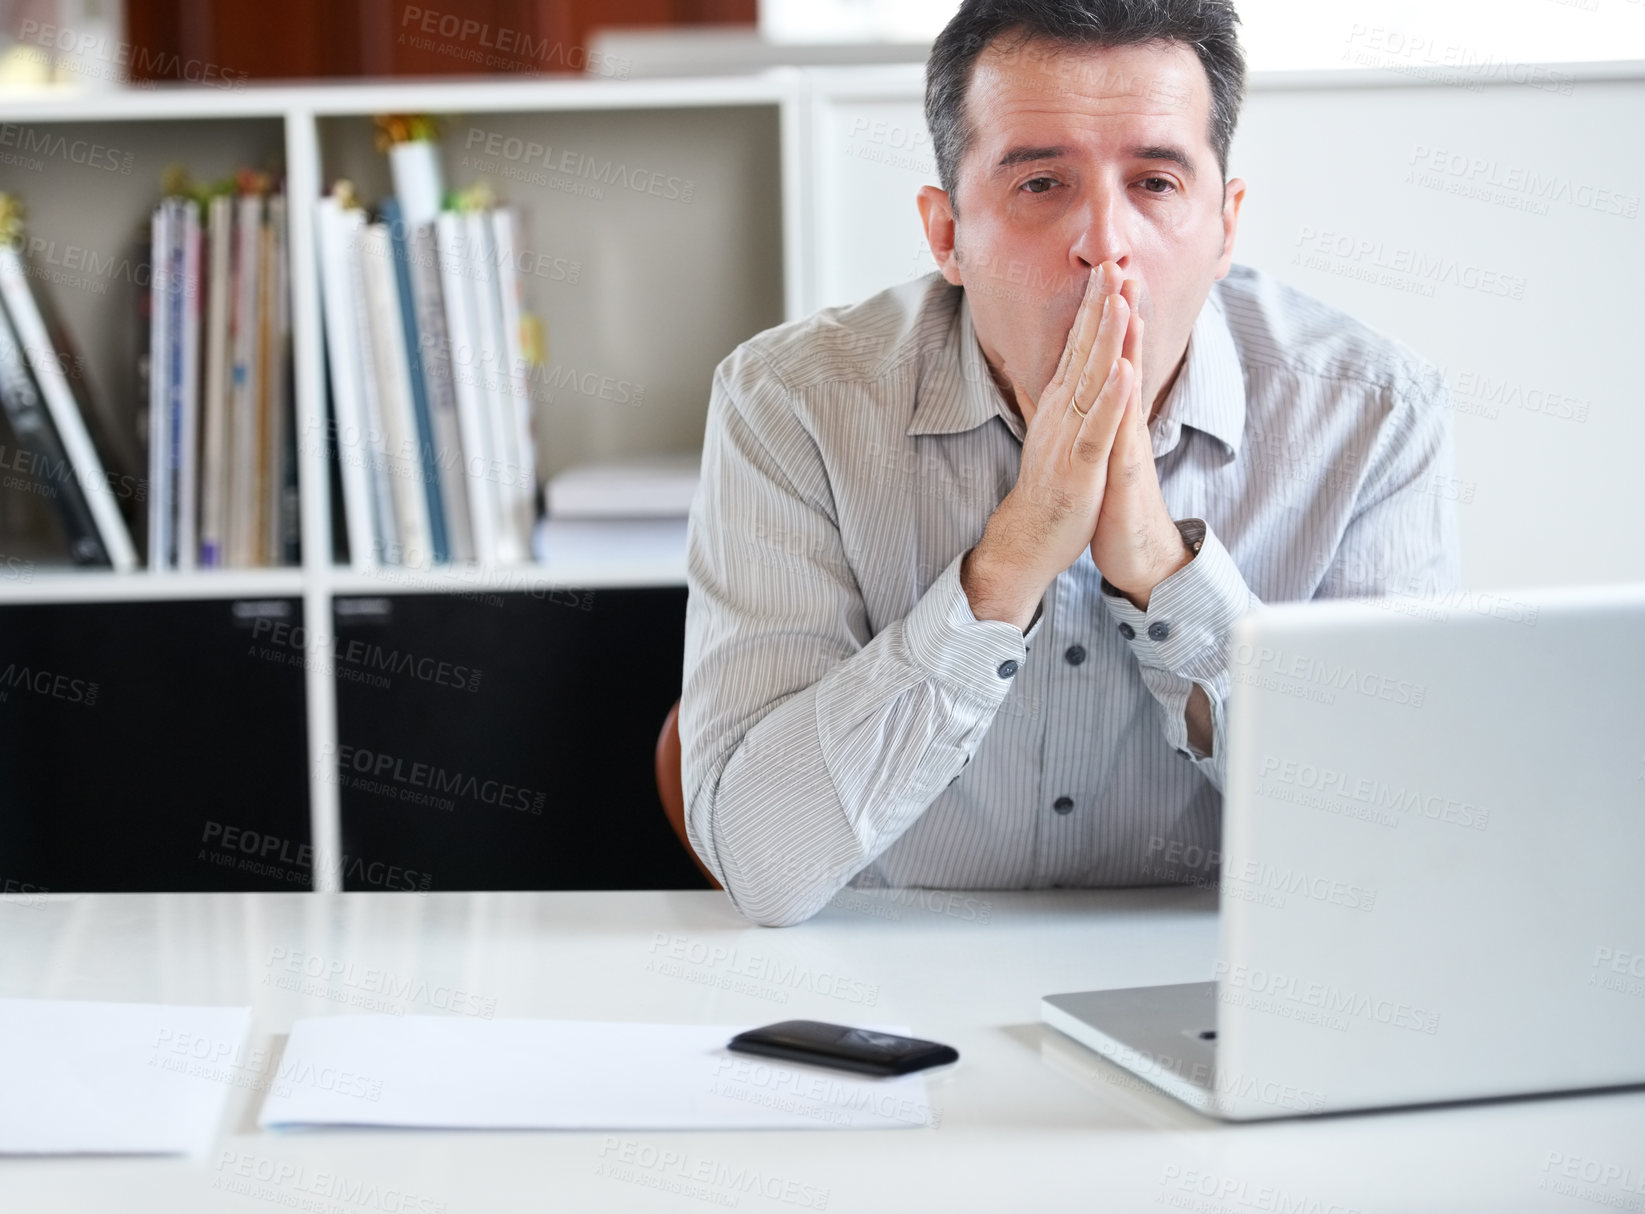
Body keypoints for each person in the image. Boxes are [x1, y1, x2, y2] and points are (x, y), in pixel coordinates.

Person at [681, 0, 1461, 927]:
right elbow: (761, 865)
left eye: (1157, 183)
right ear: (946, 236)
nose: (1105, 244)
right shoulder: (790, 403)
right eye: (1041, 183)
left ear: (1225, 225)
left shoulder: (1372, 414)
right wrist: (1004, 566)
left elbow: (1394, 851)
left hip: (1220, 999)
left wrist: (1165, 574)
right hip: (888, 992)